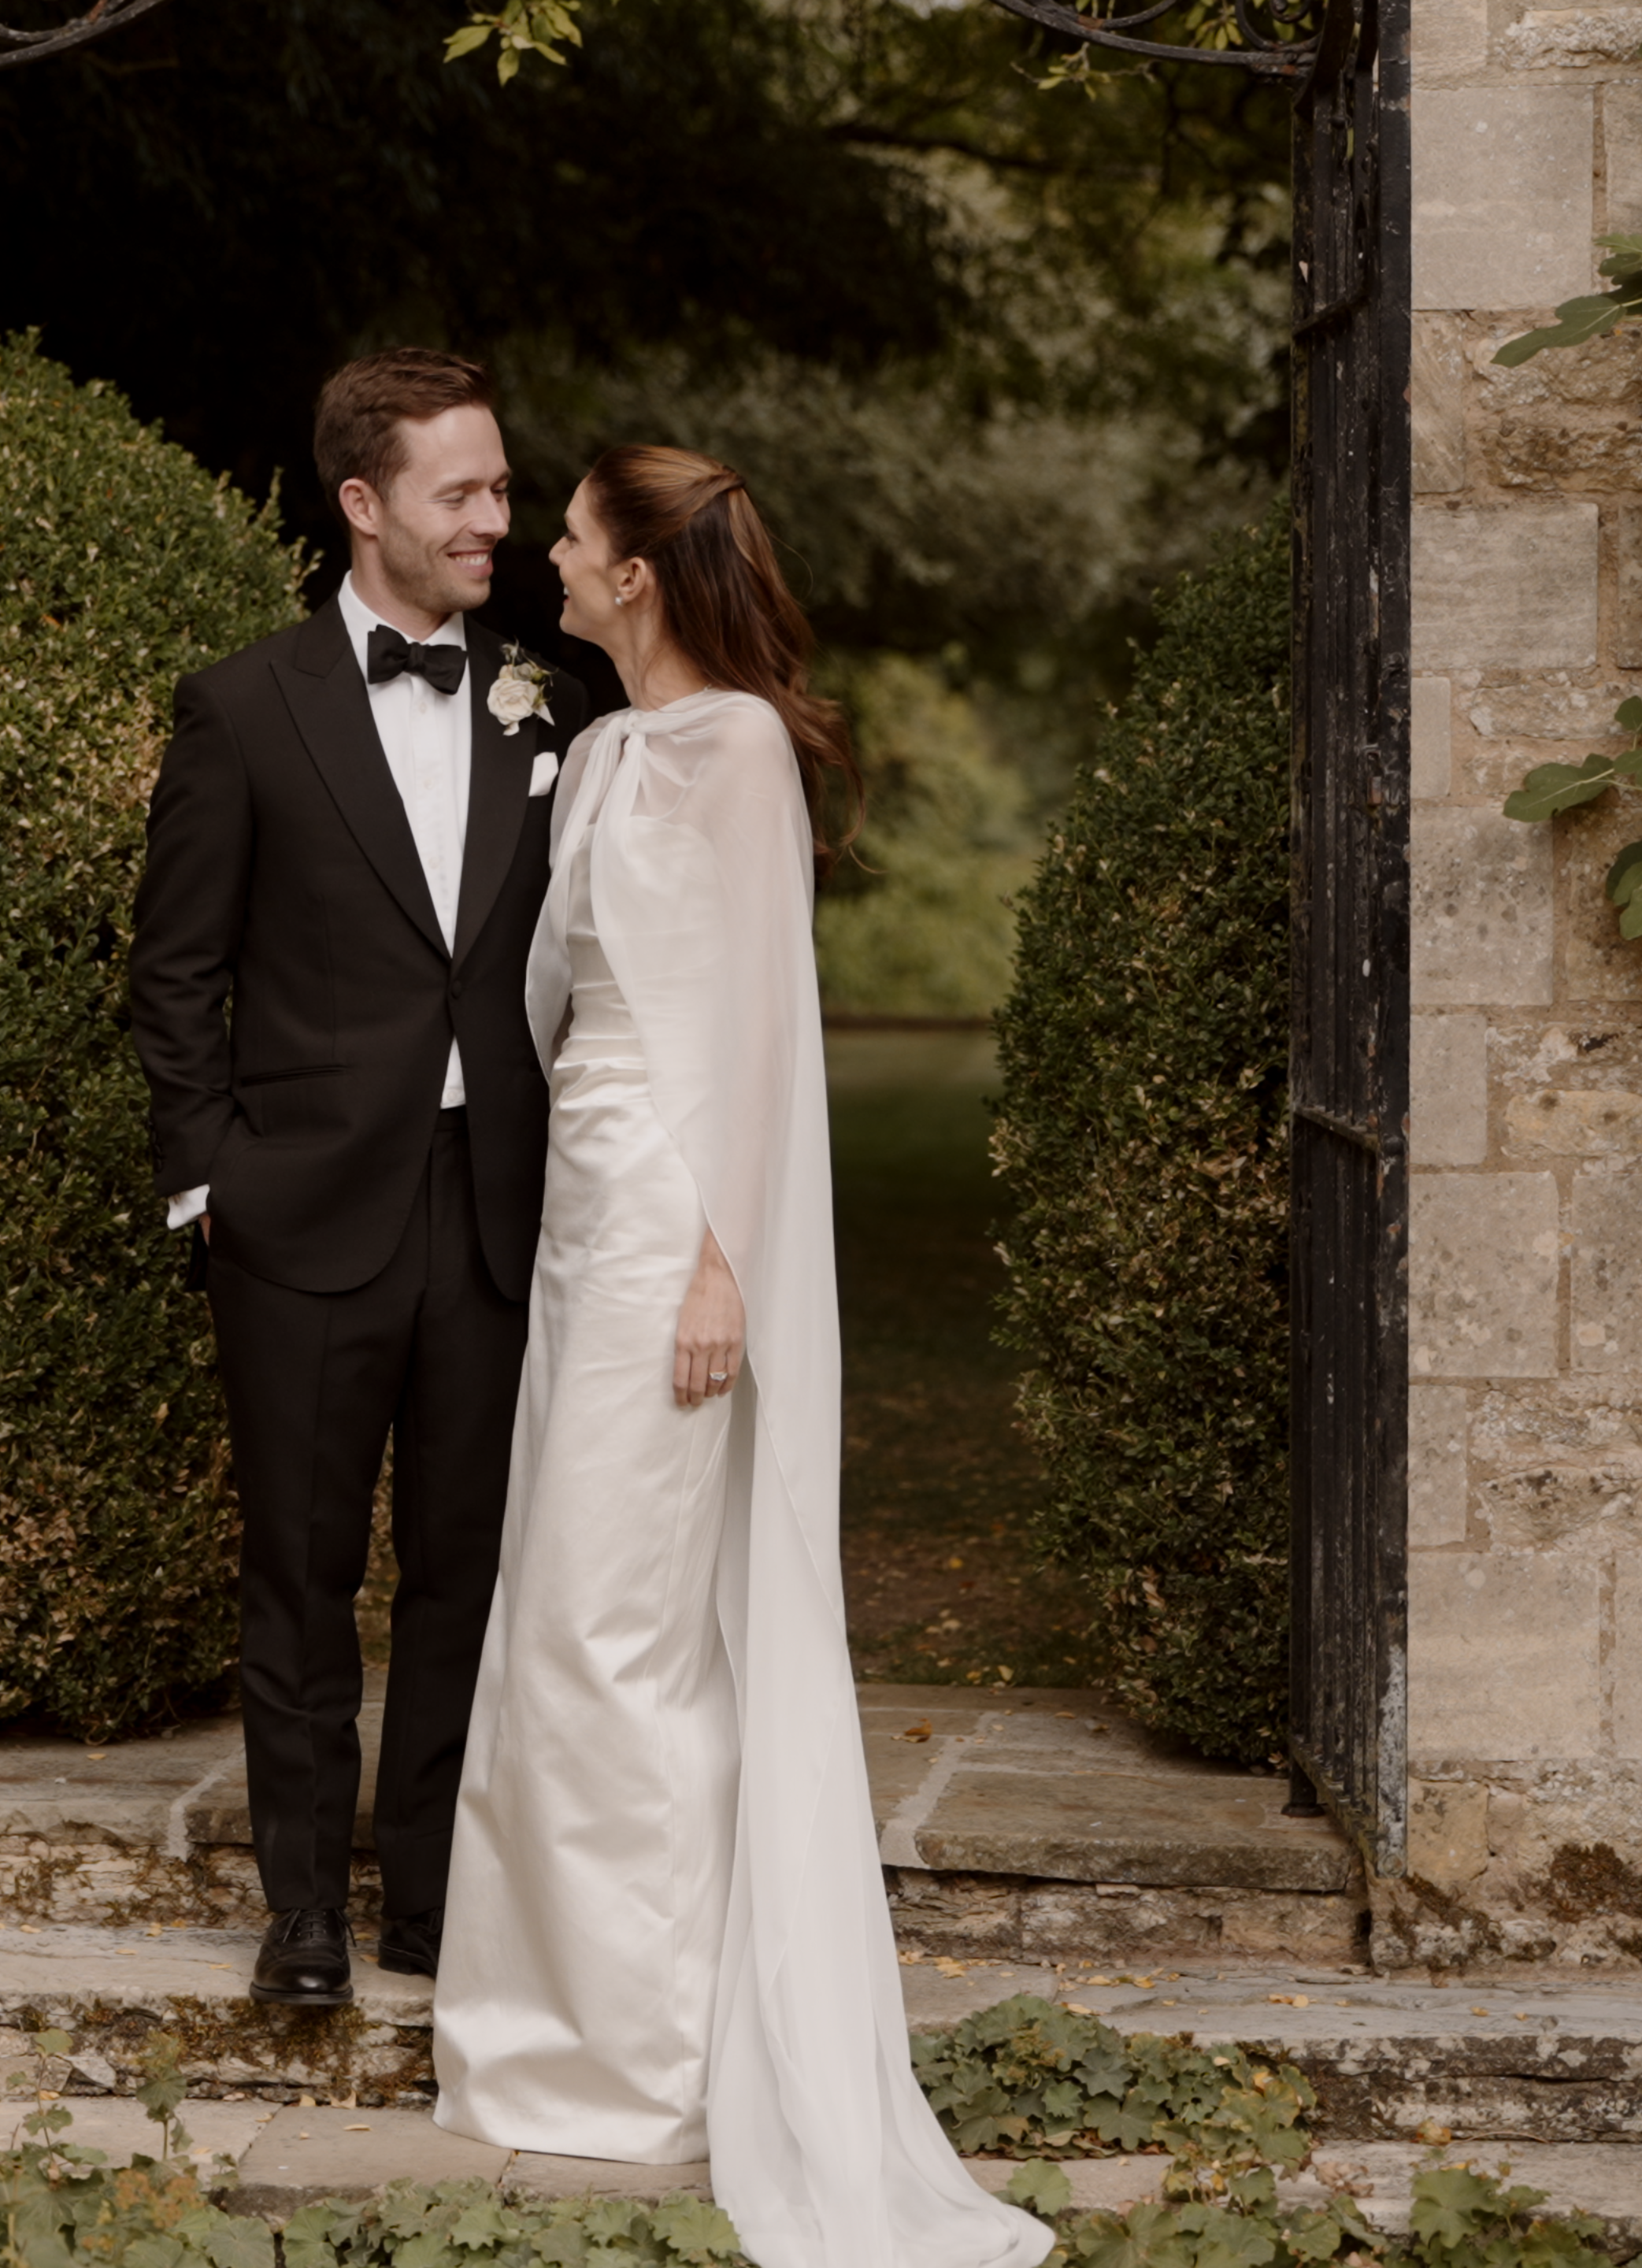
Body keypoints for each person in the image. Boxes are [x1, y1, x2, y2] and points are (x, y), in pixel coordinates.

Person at [431, 446, 1052, 2268]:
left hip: (670, 1225)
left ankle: (641, 2059)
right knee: (562, 1614)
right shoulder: (603, 747)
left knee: (617, 1627)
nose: (545, 553)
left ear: (635, 574)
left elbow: (766, 1032)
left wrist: (727, 1267)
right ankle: (555, 2032)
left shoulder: (738, 753)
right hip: (582, 1215)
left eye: (571, 535)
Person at [128, 350, 591, 2010]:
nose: (495, 521)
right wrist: (211, 1184)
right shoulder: (243, 708)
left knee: (466, 1573)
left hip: (494, 1210)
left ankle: (432, 1901)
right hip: (300, 1216)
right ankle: (306, 1910)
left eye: (500, 488)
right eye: (460, 493)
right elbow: (174, 972)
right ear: (361, 503)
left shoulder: (556, 702)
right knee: (302, 1574)